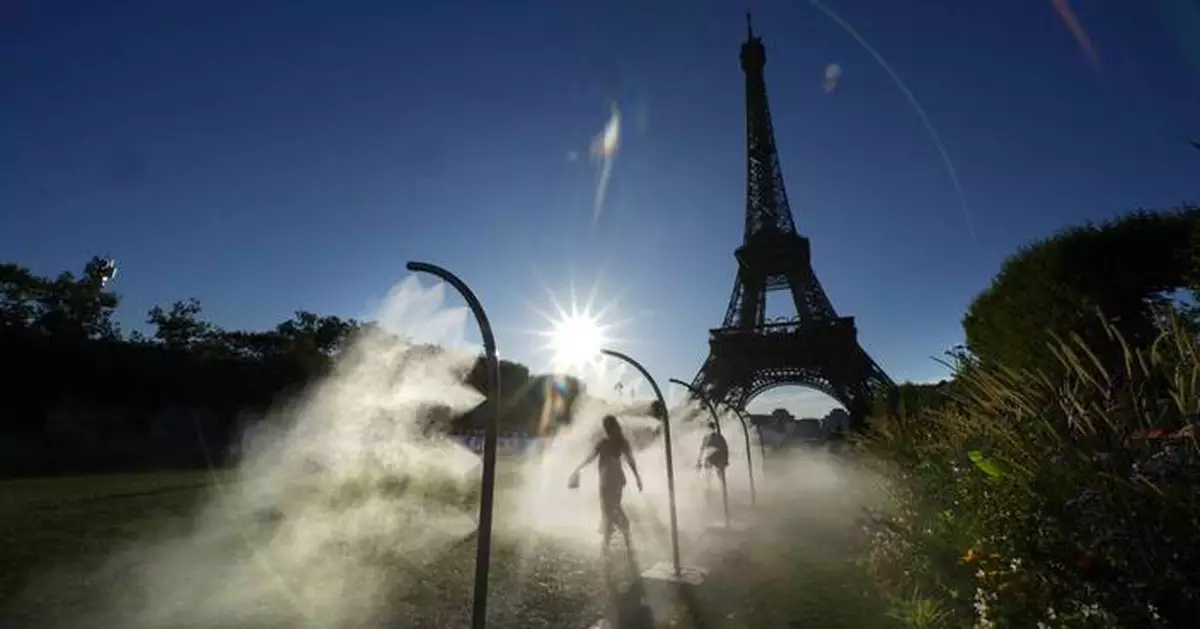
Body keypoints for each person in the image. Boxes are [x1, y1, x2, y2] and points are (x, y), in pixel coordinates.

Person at [570, 415, 643, 554]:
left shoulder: (613, 442)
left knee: (610, 511)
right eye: (607, 427)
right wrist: (578, 468)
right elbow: (590, 457)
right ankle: (616, 544)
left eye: (608, 427)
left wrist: (638, 477)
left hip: (611, 482)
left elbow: (630, 460)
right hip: (610, 481)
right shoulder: (608, 442)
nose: (607, 430)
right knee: (609, 512)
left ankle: (614, 544)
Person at [696, 421, 730, 490]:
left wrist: (726, 459)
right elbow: (702, 449)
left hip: (717, 456)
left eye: (711, 428)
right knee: (709, 474)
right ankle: (709, 489)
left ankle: (722, 489)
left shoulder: (718, 437)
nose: (710, 430)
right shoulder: (707, 437)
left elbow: (725, 448)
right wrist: (699, 461)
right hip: (711, 457)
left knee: (719, 474)